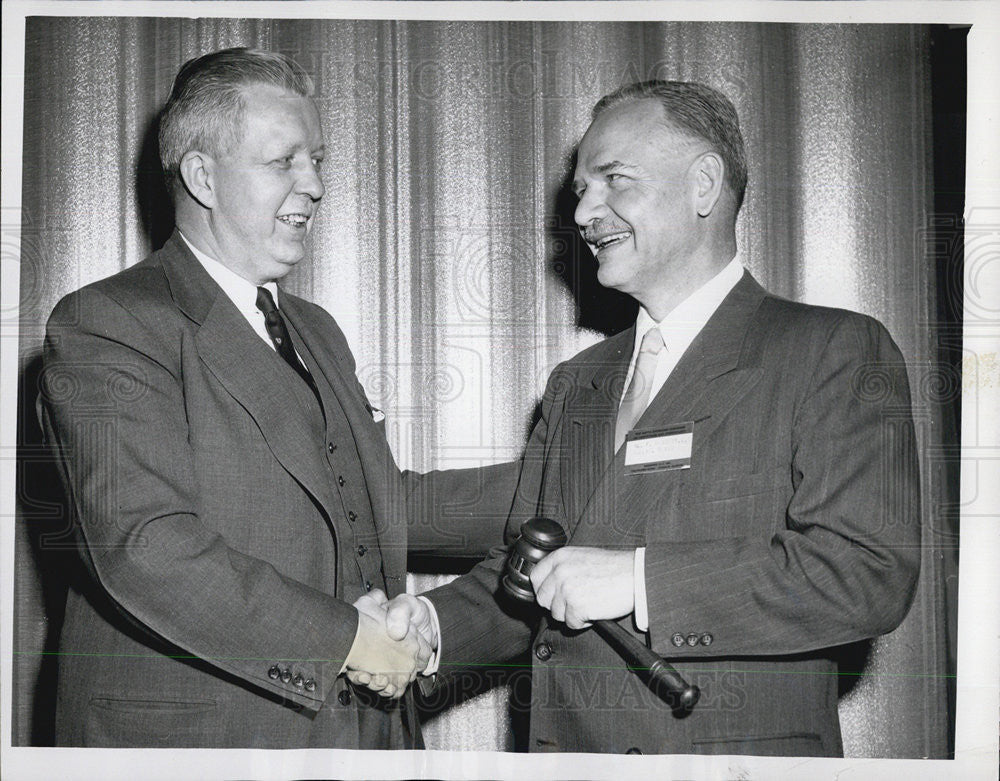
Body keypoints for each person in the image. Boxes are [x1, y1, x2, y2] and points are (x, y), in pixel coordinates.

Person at [363, 80, 922, 756]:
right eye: (579, 192)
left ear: (704, 185)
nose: (585, 212)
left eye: (613, 181)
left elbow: (865, 573)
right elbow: (537, 572)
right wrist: (426, 629)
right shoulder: (577, 384)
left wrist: (637, 579)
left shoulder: (832, 350)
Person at [36, 47, 509, 749]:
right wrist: (348, 638)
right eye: (284, 161)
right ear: (202, 177)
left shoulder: (315, 330)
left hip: (361, 740)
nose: (314, 183)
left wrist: (565, 481)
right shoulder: (110, 322)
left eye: (317, 160)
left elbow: (374, 505)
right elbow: (146, 546)